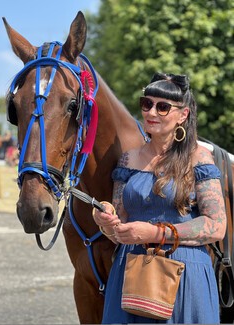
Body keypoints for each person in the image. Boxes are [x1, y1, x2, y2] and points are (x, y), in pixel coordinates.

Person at [92, 72, 226, 324]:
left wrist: (154, 233)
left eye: (163, 107)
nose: (151, 112)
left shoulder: (199, 159)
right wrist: (106, 220)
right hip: (131, 272)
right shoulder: (127, 160)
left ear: (183, 115)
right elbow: (119, 227)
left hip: (185, 276)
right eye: (147, 104)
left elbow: (216, 226)